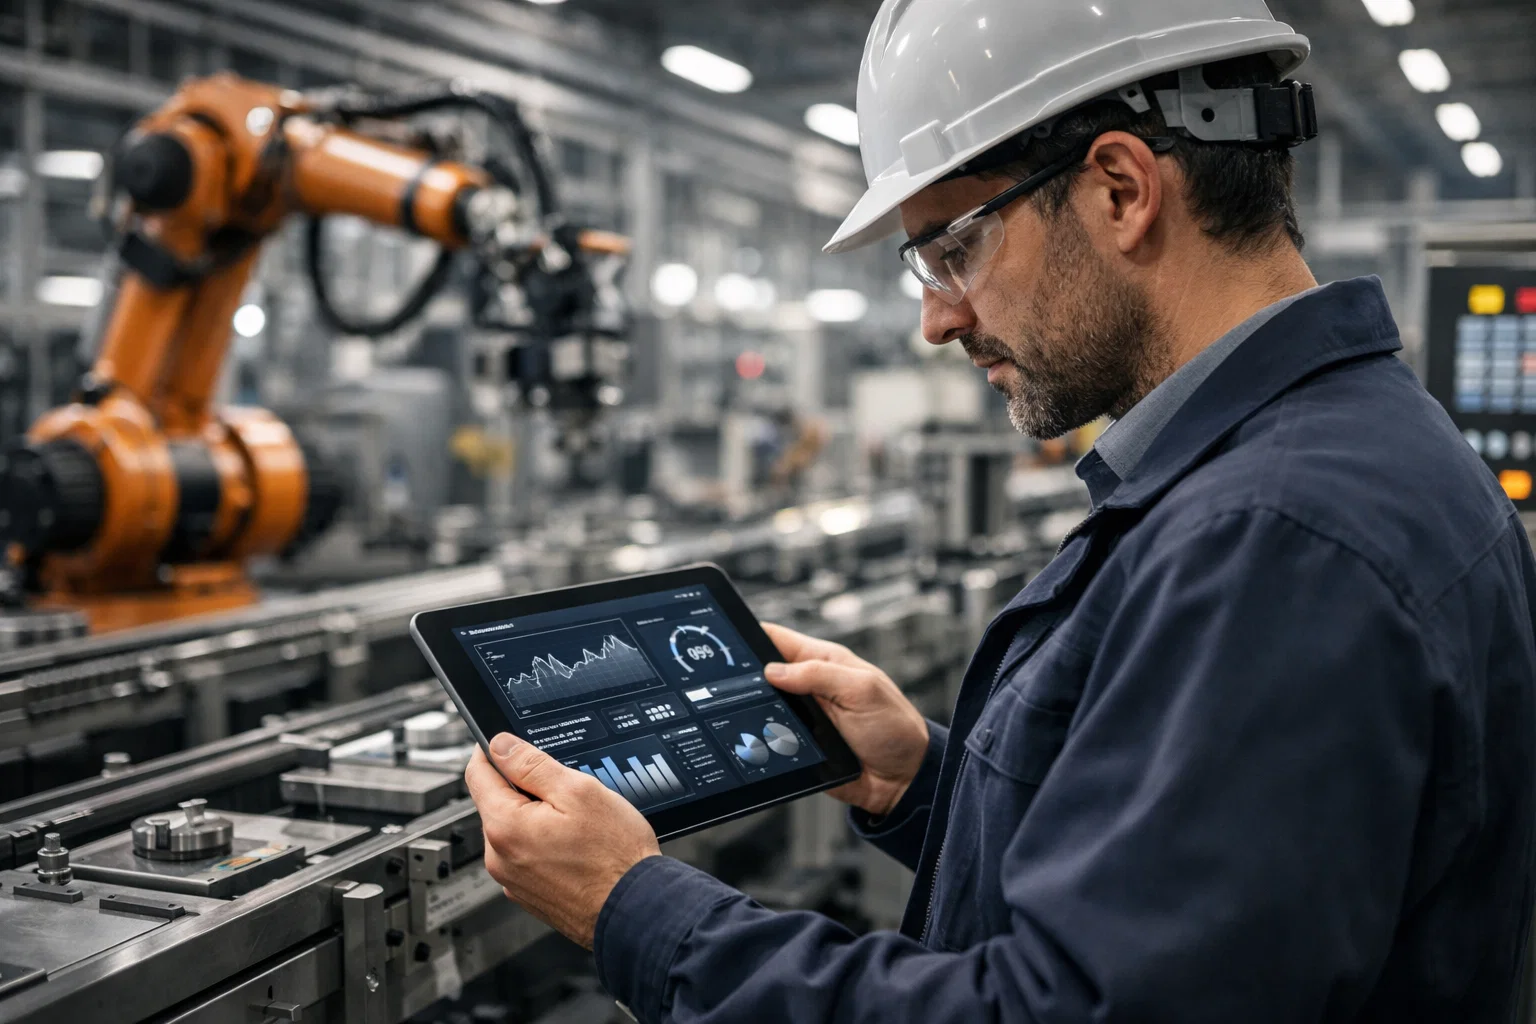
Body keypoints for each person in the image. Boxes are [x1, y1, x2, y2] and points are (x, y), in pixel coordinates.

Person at [463, 1, 1536, 1020]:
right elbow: (1192, 905)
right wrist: (930, 784)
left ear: (1120, 190)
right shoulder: (1343, 451)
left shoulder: (1271, 539)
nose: (937, 319)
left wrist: (638, 910)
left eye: (955, 248)